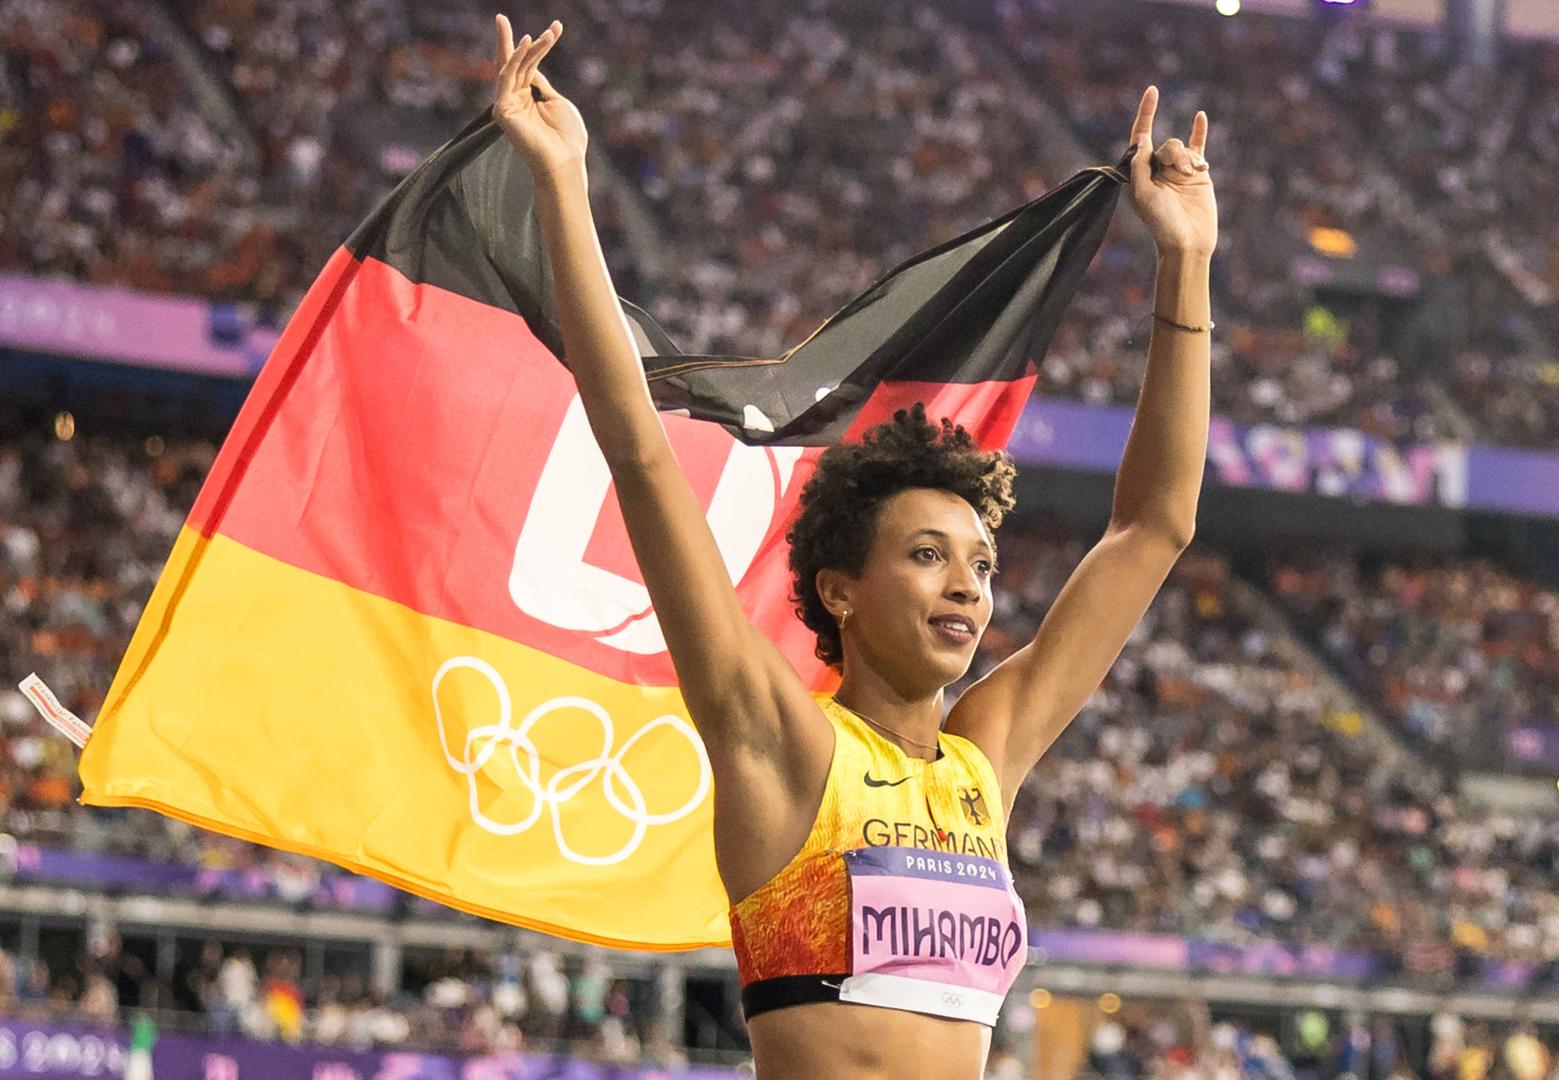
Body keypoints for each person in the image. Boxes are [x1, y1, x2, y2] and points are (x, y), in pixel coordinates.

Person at [489, 14, 1216, 1079]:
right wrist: (561, 185)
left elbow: (1154, 527)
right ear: (839, 589)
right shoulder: (781, 744)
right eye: (927, 555)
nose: (966, 585)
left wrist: (1186, 261)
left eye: (978, 563)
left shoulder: (985, 764)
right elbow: (642, 458)